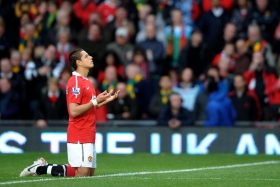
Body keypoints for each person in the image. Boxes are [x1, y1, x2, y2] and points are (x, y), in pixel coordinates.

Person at [20, 48, 120, 177]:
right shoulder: (75, 82)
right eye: (86, 56)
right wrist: (95, 101)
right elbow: (73, 111)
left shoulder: (87, 81)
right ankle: (40, 168)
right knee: (82, 173)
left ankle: (42, 167)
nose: (91, 57)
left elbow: (88, 108)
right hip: (80, 131)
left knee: (89, 173)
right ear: (78, 62)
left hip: (89, 131)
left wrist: (104, 101)